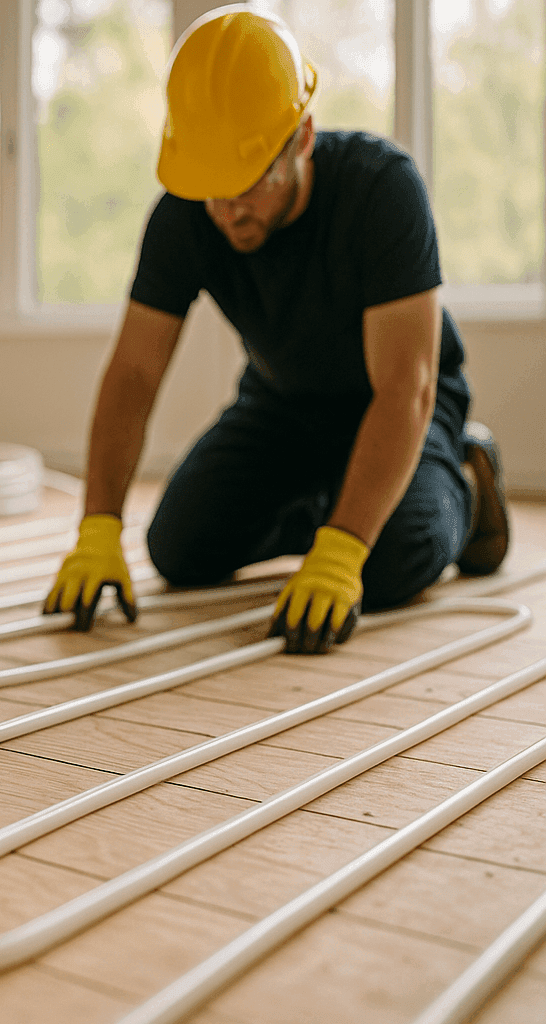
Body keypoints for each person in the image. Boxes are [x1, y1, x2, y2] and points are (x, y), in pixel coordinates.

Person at [43, 4, 509, 653]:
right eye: (213, 188)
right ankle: (330, 506)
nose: (229, 209)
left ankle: (462, 483)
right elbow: (134, 372)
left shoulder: (380, 190)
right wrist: (97, 528)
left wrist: (343, 553)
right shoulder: (187, 213)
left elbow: (408, 386)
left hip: (400, 407)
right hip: (283, 403)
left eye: (250, 183)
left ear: (304, 137)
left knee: (391, 562)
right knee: (179, 550)